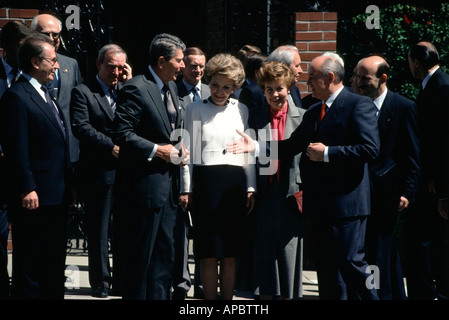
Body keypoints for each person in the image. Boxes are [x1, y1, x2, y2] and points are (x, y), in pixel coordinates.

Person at [227, 52, 380, 300]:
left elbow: (370, 149)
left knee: (352, 264)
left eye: (312, 78)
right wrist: (255, 147)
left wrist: (328, 153)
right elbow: (289, 146)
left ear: (329, 77)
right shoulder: (313, 112)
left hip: (347, 205)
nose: (306, 83)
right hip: (319, 206)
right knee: (327, 270)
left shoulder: (358, 104)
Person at [112, 33, 188, 300]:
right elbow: (122, 133)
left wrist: (179, 150)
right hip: (143, 192)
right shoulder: (136, 87)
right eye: (179, 60)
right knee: (140, 260)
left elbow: (171, 131)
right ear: (161, 61)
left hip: (168, 192)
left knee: (164, 260)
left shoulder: (173, 88)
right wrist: (158, 150)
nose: (183, 66)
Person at [0, 33, 75, 299]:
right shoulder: (17, 97)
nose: (57, 66)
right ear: (35, 62)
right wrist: (27, 187)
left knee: (53, 262)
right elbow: (16, 149)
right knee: (31, 263)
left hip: (56, 195)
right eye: (52, 60)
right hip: (35, 197)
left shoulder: (45, 94)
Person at [180, 53, 256, 300]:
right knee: (208, 252)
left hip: (235, 185)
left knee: (231, 253)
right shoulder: (194, 109)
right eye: (215, 85)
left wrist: (251, 187)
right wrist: (186, 188)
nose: (220, 91)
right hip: (205, 185)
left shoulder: (242, 110)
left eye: (227, 87)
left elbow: (249, 152)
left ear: (234, 87)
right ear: (208, 81)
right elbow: (186, 153)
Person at [354, 55, 420, 299]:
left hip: (388, 193)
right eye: (357, 76)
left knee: (379, 248)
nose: (359, 82)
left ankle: (378, 294)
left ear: (382, 78)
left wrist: (407, 191)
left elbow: (411, 153)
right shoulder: (357, 104)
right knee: (378, 248)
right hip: (359, 190)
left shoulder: (403, 107)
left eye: (364, 78)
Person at [70, 44, 132, 298]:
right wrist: (111, 146)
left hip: (127, 173)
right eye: (111, 66)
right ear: (98, 65)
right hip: (99, 172)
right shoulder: (83, 92)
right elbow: (80, 126)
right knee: (99, 231)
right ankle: (100, 282)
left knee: (126, 229)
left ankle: (123, 281)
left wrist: (128, 86)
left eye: (121, 67)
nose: (116, 72)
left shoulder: (127, 92)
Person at [248, 60, 305, 300]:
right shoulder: (254, 118)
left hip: (292, 195)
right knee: (263, 259)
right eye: (269, 89)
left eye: (279, 88)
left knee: (289, 256)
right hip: (263, 195)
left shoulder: (303, 117)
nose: (274, 94)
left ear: (289, 88)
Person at [405, 41, 449, 300]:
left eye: (410, 61)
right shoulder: (436, 85)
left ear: (417, 62)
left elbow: (442, 142)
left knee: (437, 242)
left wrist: (442, 186)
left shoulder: (441, 88)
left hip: (435, 185)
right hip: (432, 182)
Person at [175, 46, 210, 300]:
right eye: (192, 65)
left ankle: (202, 283)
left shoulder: (212, 92)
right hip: (181, 171)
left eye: (201, 65)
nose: (197, 69)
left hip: (209, 174)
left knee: (205, 233)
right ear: (183, 67)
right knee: (180, 233)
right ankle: (181, 281)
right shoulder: (173, 92)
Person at [0, 20, 32, 300]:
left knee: (27, 235)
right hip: (0, 168)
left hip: (26, 171)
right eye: (22, 46)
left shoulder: (31, 77)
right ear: (7, 48)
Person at [31, 13, 82, 165]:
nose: (51, 39)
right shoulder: (26, 67)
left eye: (56, 35)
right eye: (46, 34)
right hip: (40, 152)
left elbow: (79, 107)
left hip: (70, 152)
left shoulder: (70, 64)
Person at [239, 45, 303, 112]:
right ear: (283, 67)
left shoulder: (294, 89)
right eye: (297, 66)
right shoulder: (253, 92)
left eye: (279, 89)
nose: (301, 71)